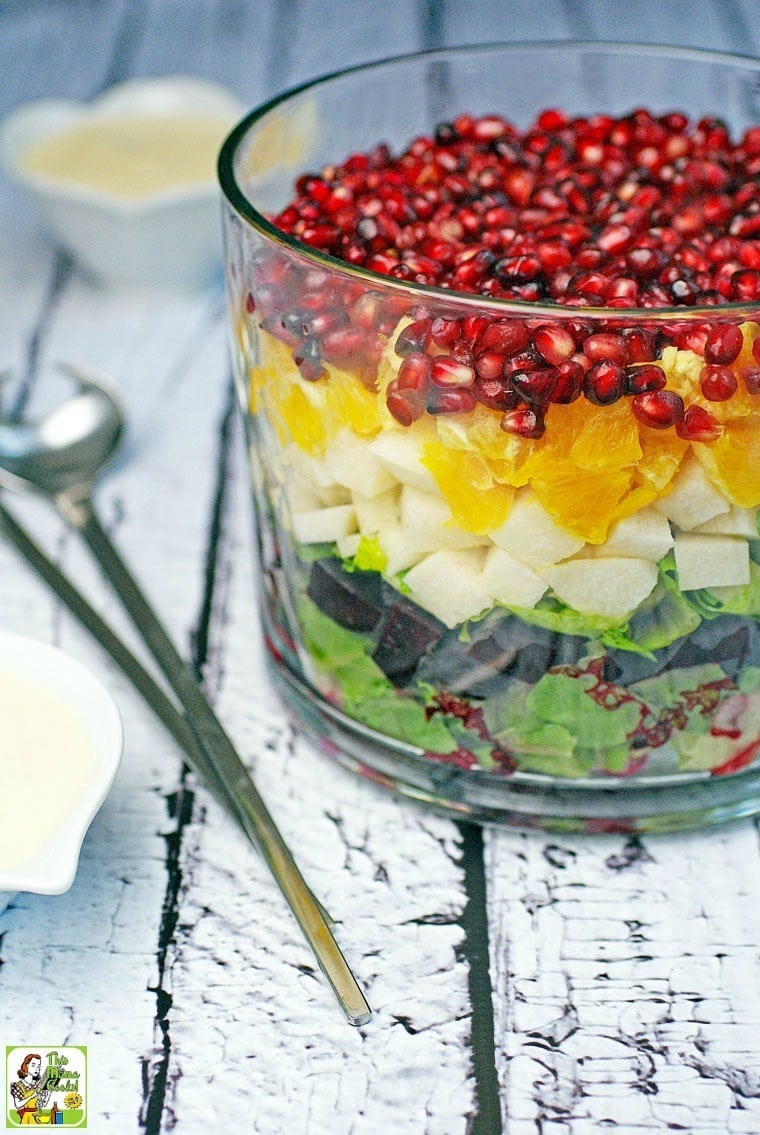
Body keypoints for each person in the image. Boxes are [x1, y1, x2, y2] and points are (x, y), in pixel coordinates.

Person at [9, 1053, 51, 1125]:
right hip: (27, 1118)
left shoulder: (39, 1084)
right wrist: (32, 1096)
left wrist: (48, 1093)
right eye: (33, 1065)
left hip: (38, 1117)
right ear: (27, 1065)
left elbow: (43, 1104)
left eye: (38, 1066)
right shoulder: (17, 1085)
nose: (36, 1069)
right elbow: (18, 1105)